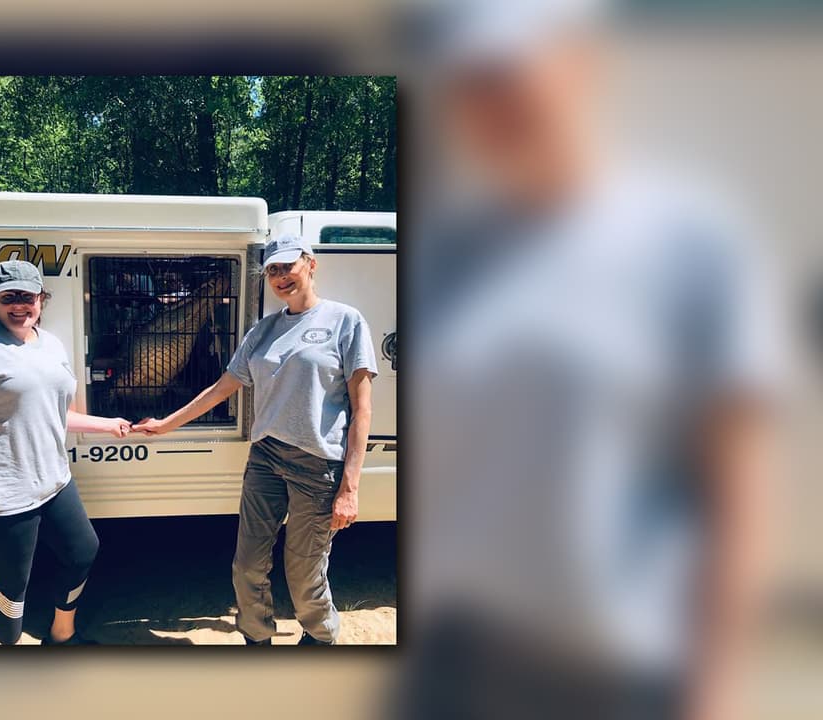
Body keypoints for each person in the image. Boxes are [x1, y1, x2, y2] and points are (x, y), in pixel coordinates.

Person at [405, 1, 785, 718]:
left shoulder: (690, 242)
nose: (491, 99)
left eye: (508, 72)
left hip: (611, 678)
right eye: (470, 82)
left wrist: (716, 691)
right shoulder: (447, 253)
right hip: (450, 672)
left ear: (580, 63)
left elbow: (739, 489)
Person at [134, 236, 379, 645]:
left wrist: (350, 486)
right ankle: (256, 638)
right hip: (265, 458)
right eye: (272, 270)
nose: (281, 277)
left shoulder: (345, 321)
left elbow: (362, 410)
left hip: (318, 465)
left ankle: (320, 637)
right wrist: (166, 424)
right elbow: (220, 388)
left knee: (304, 571)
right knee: (247, 564)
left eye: (288, 266)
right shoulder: (262, 330)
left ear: (310, 264)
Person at [0, 259, 132, 645]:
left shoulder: (52, 343)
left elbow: (56, 414)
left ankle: (62, 634)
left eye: (27, 296)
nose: (19, 305)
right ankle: (8, 643)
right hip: (2, 493)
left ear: (41, 298)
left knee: (82, 553)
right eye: (8, 297)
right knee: (13, 588)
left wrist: (106, 424)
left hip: (55, 482)